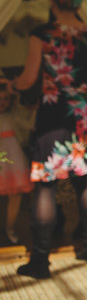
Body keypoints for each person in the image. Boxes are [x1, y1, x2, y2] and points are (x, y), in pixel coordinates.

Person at [13, 0, 87, 279]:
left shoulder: (43, 34)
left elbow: (28, 78)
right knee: (85, 178)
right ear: (78, 3)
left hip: (53, 115)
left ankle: (40, 260)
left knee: (46, 183)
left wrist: (14, 86)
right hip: (84, 115)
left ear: (53, 2)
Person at [0, 75, 33, 245]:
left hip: (13, 158)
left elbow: (30, 124)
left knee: (15, 196)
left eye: (5, 99)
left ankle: (9, 227)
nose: (2, 103)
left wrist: (14, 93)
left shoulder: (16, 114)